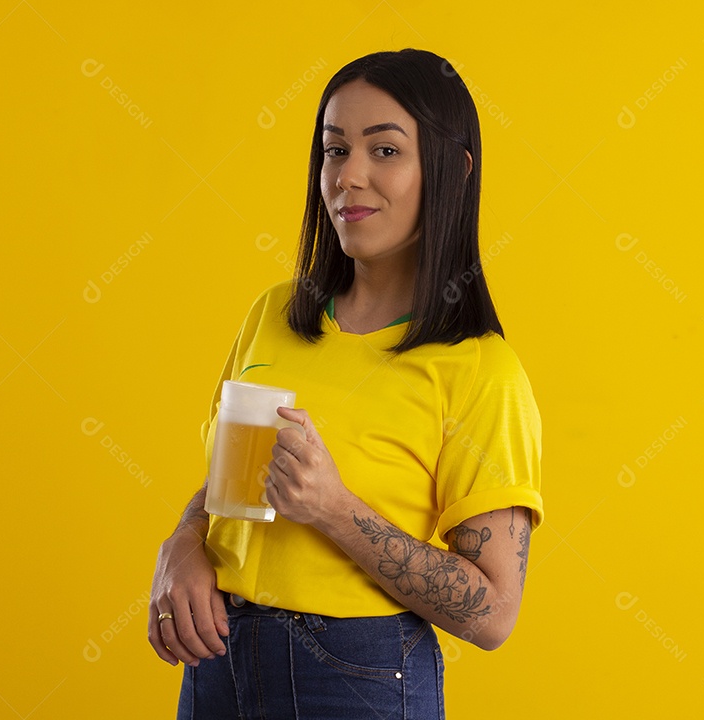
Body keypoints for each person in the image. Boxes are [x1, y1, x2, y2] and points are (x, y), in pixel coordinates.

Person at [149, 48, 543, 719]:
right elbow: (233, 485)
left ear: (453, 169)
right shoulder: (273, 315)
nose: (348, 177)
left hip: (355, 677)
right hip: (217, 665)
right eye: (334, 151)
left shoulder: (480, 370)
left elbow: (493, 611)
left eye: (384, 151)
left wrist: (334, 508)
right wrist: (183, 546)